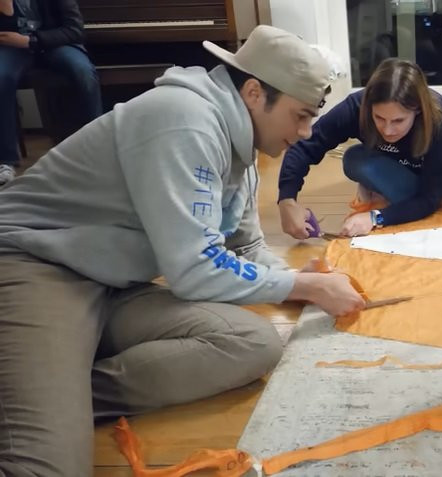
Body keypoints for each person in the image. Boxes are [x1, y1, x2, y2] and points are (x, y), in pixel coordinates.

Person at [0, 26, 366, 477]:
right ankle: (44, 402)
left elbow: (246, 244)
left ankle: (55, 396)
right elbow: (195, 270)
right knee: (45, 468)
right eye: (301, 116)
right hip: (35, 263)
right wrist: (302, 284)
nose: (306, 132)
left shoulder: (240, 142)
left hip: (110, 279)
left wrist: (298, 281)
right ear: (254, 93)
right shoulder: (184, 120)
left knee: (252, 344)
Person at [278, 58, 442, 239]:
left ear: (417, 110)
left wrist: (375, 217)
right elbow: (305, 146)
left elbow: (429, 196)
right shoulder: (355, 107)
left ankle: (408, 197)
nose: (388, 130)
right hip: (399, 166)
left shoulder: (439, 116)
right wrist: (287, 200)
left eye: (398, 121)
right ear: (369, 107)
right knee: (354, 160)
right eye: (379, 118)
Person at [0, 0, 103, 185]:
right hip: (12, 47)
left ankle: (98, 147)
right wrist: (6, 12)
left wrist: (31, 41)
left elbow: (75, 30)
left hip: (54, 44)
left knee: (83, 72)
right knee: (1, 77)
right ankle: (5, 161)